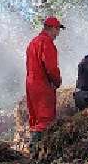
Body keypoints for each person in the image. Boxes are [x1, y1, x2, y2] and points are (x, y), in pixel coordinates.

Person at [26, 16, 64, 147]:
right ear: (52, 28)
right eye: (58, 29)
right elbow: (51, 67)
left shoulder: (33, 42)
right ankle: (38, 153)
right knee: (45, 120)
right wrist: (57, 81)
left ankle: (31, 152)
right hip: (43, 85)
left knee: (35, 119)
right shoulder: (47, 43)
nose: (58, 33)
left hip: (31, 84)